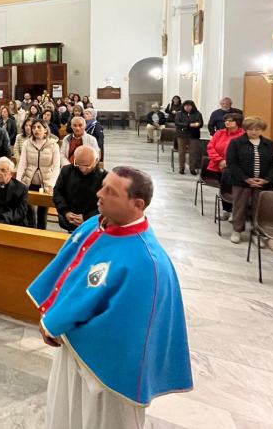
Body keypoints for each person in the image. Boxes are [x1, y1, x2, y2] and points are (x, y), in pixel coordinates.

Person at [29, 167, 192, 429]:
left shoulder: (147, 262)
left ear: (137, 205)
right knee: (65, 415)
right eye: (103, 186)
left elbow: (128, 331)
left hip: (105, 373)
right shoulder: (95, 225)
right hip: (72, 355)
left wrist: (61, 328)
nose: (99, 194)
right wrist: (54, 317)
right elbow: (71, 275)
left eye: (110, 191)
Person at [225, 116, 273, 244]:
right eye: (251, 129)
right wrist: (245, 178)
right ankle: (237, 230)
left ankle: (256, 232)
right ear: (245, 129)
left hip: (262, 184)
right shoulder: (236, 143)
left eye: (257, 129)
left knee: (259, 208)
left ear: (262, 130)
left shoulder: (269, 144)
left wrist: (266, 179)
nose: (254, 132)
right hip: (241, 182)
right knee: (240, 206)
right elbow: (232, 163)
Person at [17, 120, 61, 230]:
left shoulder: (53, 145)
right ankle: (31, 233)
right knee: (30, 210)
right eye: (34, 127)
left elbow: (56, 167)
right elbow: (22, 163)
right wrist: (18, 181)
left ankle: (41, 233)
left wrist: (51, 183)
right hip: (29, 181)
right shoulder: (27, 143)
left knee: (43, 212)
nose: (36, 129)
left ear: (45, 129)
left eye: (39, 127)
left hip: (46, 182)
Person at [206, 112, 245, 218]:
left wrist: (228, 162)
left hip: (234, 168)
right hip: (218, 166)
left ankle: (234, 211)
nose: (227, 122)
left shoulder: (243, 135)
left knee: (233, 189)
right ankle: (226, 210)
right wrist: (219, 160)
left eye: (230, 120)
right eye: (226, 120)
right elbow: (211, 147)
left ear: (238, 122)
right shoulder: (219, 133)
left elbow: (242, 152)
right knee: (223, 188)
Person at [174, 100, 203, 175]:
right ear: (183, 106)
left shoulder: (198, 114)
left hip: (194, 135)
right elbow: (177, 123)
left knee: (193, 152)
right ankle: (182, 168)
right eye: (185, 105)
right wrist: (189, 125)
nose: (187, 107)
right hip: (182, 135)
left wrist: (194, 125)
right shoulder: (179, 113)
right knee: (181, 152)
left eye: (189, 105)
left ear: (192, 106)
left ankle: (192, 168)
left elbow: (200, 124)